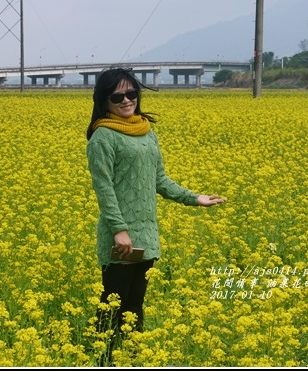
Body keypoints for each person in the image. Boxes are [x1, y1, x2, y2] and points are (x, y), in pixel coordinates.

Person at [85, 67, 226, 365]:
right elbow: (104, 188)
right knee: (112, 306)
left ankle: (132, 359)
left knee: (135, 305)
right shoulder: (102, 137)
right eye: (118, 96)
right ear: (104, 100)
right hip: (121, 239)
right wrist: (119, 230)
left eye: (132, 93)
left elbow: (159, 180)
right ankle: (100, 361)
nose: (127, 100)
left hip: (146, 237)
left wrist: (194, 198)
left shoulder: (147, 132)